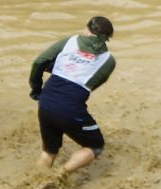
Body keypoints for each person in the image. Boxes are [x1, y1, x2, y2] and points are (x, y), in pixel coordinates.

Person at [29, 16, 118, 175]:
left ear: (87, 30)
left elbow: (39, 62)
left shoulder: (70, 41)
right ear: (107, 38)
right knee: (95, 146)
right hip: (69, 107)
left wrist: (36, 89)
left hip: (46, 101)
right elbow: (90, 85)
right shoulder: (108, 61)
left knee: (49, 152)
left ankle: (33, 183)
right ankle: (59, 175)